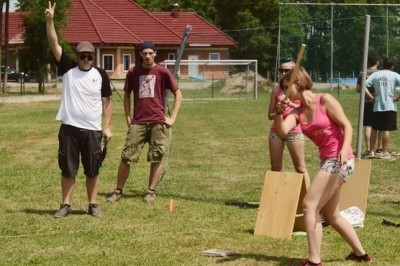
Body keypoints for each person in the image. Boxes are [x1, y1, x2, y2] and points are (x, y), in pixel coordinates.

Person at [274, 67, 372, 265]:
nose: (284, 93)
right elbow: (283, 131)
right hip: (327, 161)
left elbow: (347, 126)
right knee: (331, 215)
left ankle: (314, 260)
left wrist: (344, 151)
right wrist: (278, 113)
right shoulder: (297, 111)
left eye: (287, 87)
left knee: (309, 206)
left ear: (298, 83)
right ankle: (361, 254)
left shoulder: (324, 100)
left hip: (340, 159)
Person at [45, 2, 112, 218]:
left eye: (89, 56)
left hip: (92, 130)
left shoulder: (101, 75)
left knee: (93, 169)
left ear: (94, 56)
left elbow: (107, 102)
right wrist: (50, 21)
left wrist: (107, 127)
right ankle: (65, 204)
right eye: (82, 56)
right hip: (69, 129)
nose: (85, 59)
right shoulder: (68, 69)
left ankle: (92, 205)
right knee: (68, 169)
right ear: (77, 55)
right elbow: (54, 43)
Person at [107, 41, 182, 203]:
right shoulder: (133, 72)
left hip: (157, 121)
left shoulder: (163, 72)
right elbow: (126, 96)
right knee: (127, 156)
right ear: (140, 54)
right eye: (144, 53)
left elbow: (178, 95)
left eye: (150, 53)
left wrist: (172, 117)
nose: (148, 56)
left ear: (155, 53)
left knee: (156, 157)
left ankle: (151, 191)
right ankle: (118, 192)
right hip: (138, 122)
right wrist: (128, 117)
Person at [268, 57, 310, 188]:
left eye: (287, 70)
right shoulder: (276, 90)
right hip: (276, 132)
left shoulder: (300, 90)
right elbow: (270, 115)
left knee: (300, 167)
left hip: (294, 132)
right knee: (275, 166)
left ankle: (308, 197)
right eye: (281, 70)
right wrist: (278, 111)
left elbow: (306, 110)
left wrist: (290, 104)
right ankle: (274, 197)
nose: (283, 73)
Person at [366, 57, 400, 159]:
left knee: (374, 129)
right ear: (392, 66)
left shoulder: (376, 74)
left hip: (377, 105)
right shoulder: (395, 75)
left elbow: (364, 85)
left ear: (382, 65)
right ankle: (384, 152)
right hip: (390, 105)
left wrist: (371, 97)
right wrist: (397, 98)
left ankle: (371, 151)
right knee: (386, 129)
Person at [356, 54, 383, 158]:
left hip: (366, 102)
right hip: (379, 101)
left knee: (368, 125)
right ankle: (379, 147)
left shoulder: (363, 73)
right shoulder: (381, 73)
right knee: (380, 125)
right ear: (377, 62)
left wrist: (367, 95)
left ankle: (368, 149)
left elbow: (358, 88)